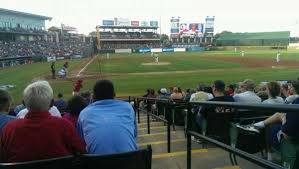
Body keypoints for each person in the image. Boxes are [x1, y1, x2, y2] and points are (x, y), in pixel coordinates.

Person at [0, 81, 85, 162]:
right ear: (52, 103)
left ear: (24, 103)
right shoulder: (64, 125)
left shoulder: (9, 128)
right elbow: (81, 151)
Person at [77, 80, 138, 155]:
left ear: (93, 96)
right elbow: (134, 134)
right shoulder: (128, 107)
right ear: (114, 95)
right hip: (132, 161)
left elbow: (82, 141)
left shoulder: (84, 113)